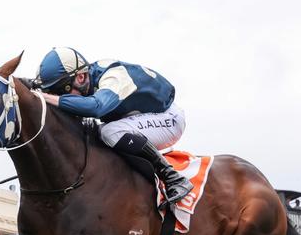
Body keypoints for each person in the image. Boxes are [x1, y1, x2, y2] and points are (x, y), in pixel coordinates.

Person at [35, 47, 193, 204]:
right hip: (141, 118)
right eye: (53, 91)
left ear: (81, 77)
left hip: (168, 118)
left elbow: (95, 108)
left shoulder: (114, 77)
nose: (59, 96)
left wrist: (45, 96)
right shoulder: (87, 78)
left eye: (61, 90)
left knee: (109, 132)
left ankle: (172, 177)